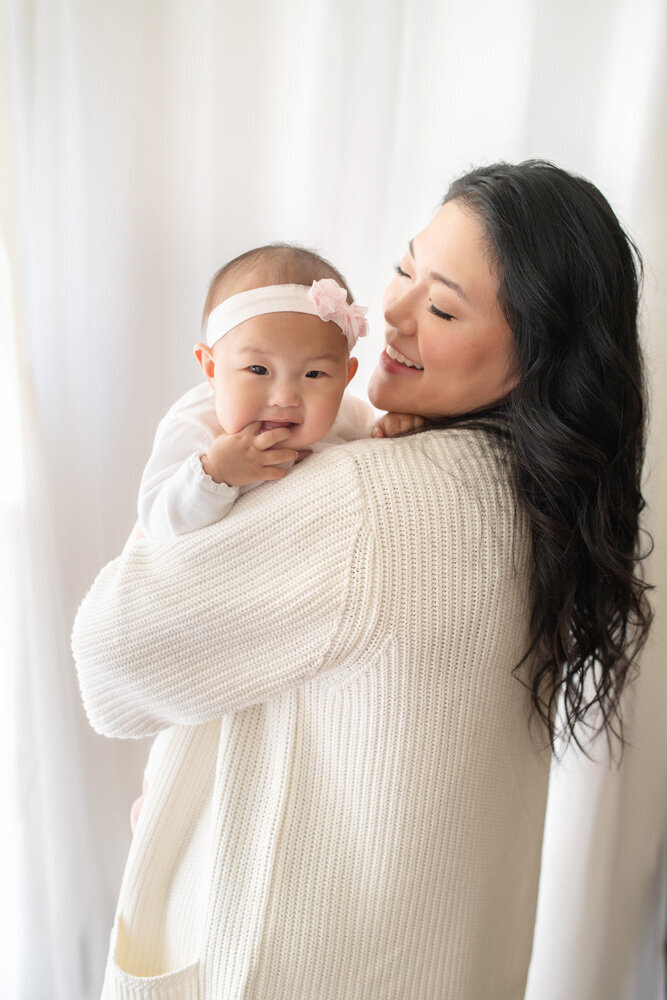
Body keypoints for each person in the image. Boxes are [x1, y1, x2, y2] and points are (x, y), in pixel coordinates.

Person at [71, 160, 652, 1000]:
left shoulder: (365, 502)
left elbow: (109, 662)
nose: (389, 311)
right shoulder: (542, 502)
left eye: (442, 306)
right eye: (405, 267)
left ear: (530, 360)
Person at [137, 244, 421, 540]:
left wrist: (385, 431)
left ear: (344, 379)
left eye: (314, 374)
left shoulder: (347, 416)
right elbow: (154, 523)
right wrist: (215, 474)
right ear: (211, 369)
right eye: (258, 370)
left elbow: (368, 448)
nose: (285, 398)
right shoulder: (197, 426)